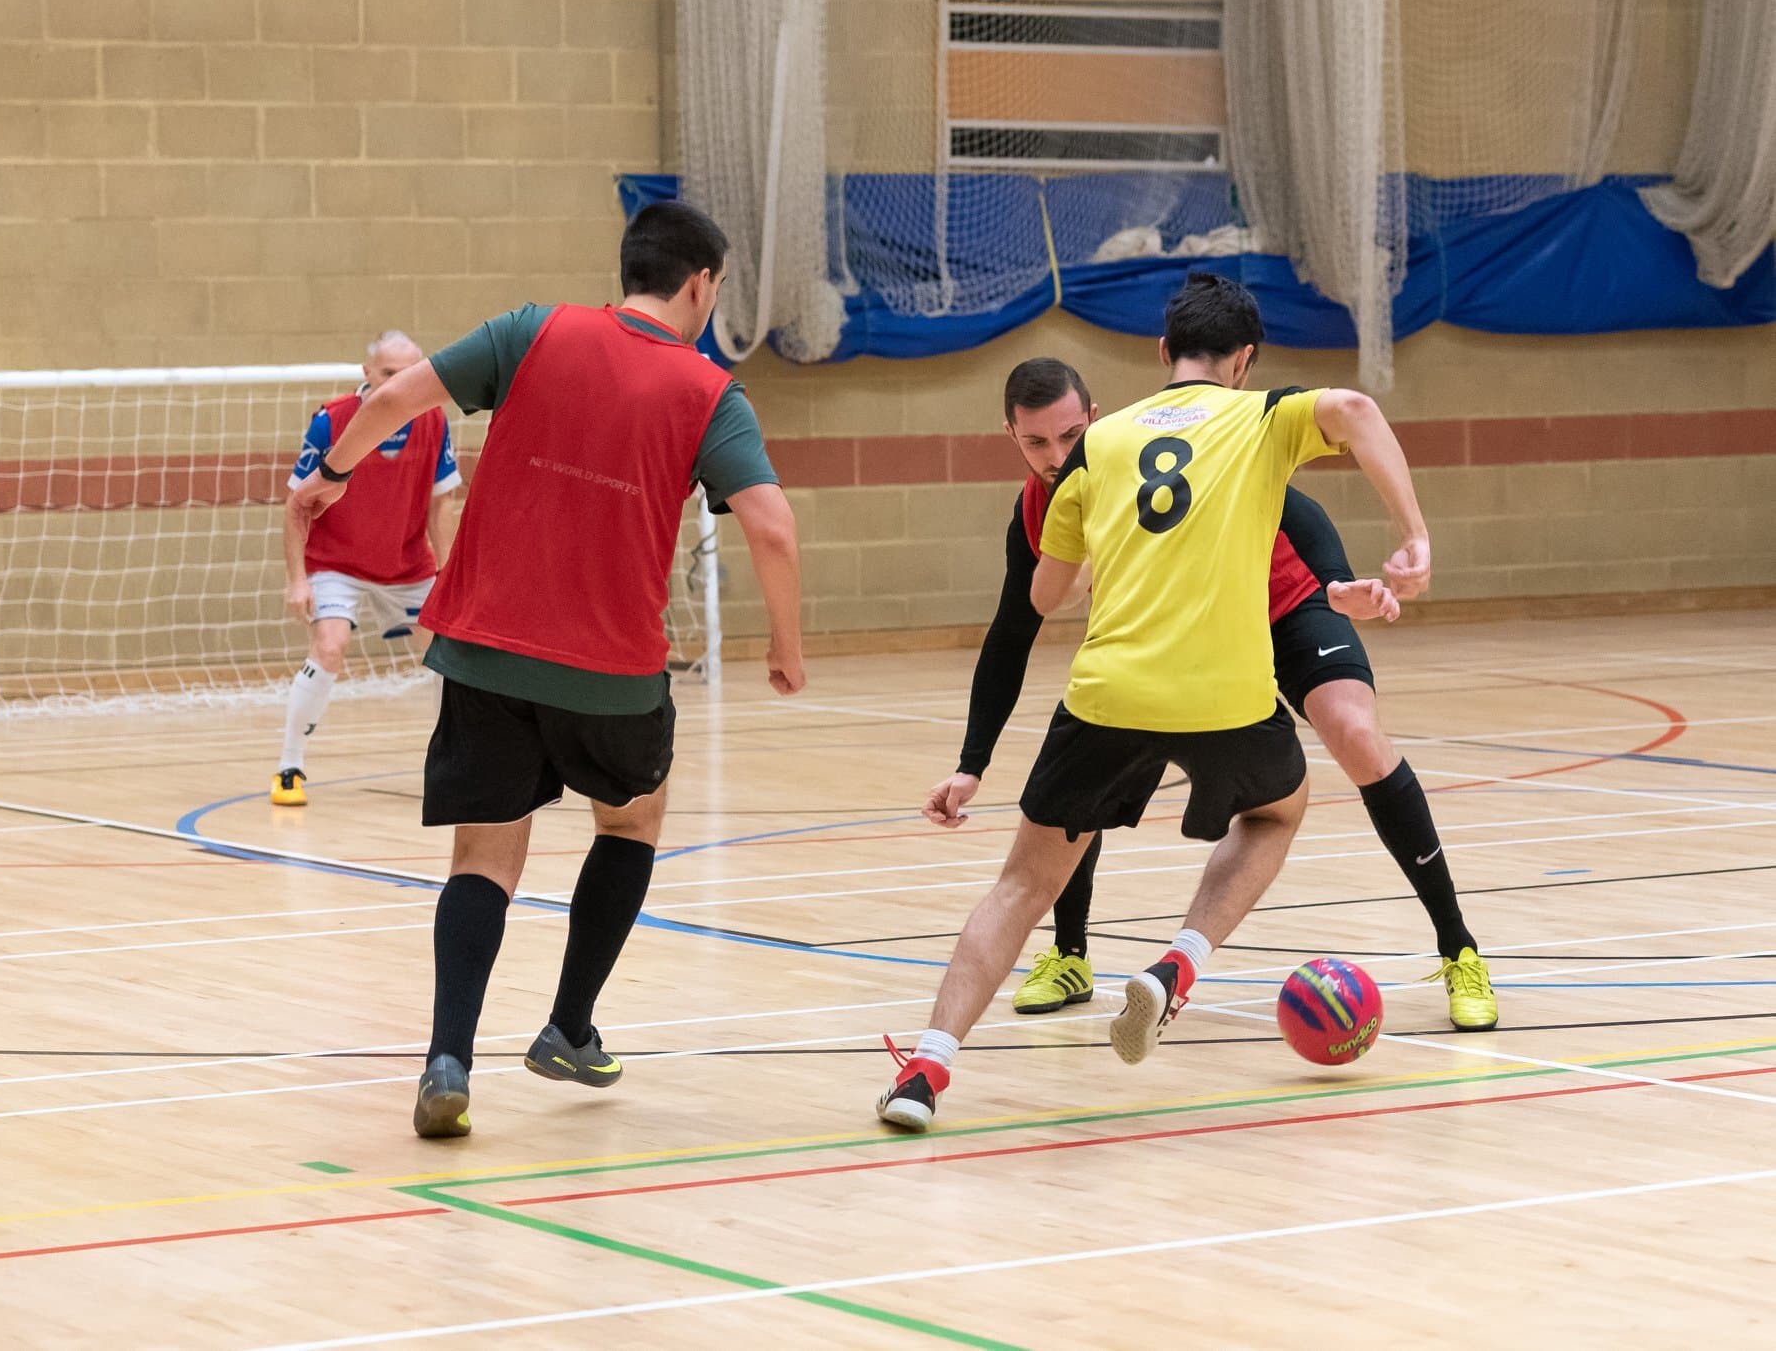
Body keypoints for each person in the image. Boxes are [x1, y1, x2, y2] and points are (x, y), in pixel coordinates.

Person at [290, 201, 807, 1139]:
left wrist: (334, 471)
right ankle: (569, 1024)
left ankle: (448, 1055)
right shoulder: (707, 391)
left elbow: (395, 401)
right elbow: (770, 525)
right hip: (611, 669)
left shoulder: (532, 331)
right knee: (634, 819)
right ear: (700, 284)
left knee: (485, 853)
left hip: (485, 649)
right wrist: (786, 644)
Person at [878, 271, 1431, 1132]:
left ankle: (925, 1067)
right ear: (1243, 361)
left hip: (1109, 695)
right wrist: (1412, 536)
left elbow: (1046, 598)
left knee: (1021, 883)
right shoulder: (1258, 417)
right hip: (1226, 695)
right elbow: (1356, 410)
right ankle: (1178, 961)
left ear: (1162, 352)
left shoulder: (1097, 448)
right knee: (1277, 812)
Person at [923, 358, 1496, 1032]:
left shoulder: (1158, 448)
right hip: (1199, 632)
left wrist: (1336, 584)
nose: (1057, 456)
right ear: (1009, 435)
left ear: (1095, 418)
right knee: (1095, 749)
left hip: (1287, 601)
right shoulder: (1042, 505)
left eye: (1069, 435)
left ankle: (1459, 948)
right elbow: (1011, 629)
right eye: (1037, 443)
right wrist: (972, 760)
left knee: (1355, 736)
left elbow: (1296, 508)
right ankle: (1070, 953)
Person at [274, 330, 460, 806]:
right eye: (390, 374)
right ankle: (289, 766)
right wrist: (297, 578)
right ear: (367, 374)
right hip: (336, 562)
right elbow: (297, 504)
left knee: (452, 656)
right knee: (331, 646)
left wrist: (448, 574)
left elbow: (442, 508)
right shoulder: (331, 422)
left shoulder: (434, 420)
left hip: (407, 564)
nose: (401, 383)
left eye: (411, 374)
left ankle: (456, 764)